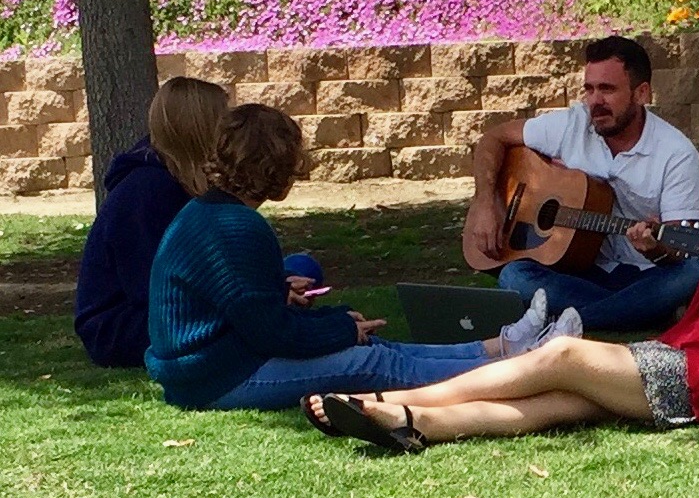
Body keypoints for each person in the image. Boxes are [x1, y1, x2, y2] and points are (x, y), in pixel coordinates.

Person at [306, 61, 699, 451]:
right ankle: (411, 421)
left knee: (559, 354)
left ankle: (383, 399)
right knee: (558, 401)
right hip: (691, 355)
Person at [144, 103, 582, 414]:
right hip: (219, 377)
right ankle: (523, 367)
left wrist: (294, 301)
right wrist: (339, 328)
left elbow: (239, 303)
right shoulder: (237, 226)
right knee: (370, 361)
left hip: (211, 365)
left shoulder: (209, 212)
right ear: (276, 169)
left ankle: (503, 346)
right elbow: (272, 334)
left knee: (373, 347)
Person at [464, 35, 699, 331]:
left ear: (641, 93)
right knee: (515, 275)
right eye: (589, 89)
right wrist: (485, 202)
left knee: (694, 271)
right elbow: (494, 138)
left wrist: (653, 248)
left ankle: (567, 322)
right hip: (579, 269)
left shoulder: (677, 153)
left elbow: (678, 248)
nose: (595, 102)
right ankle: (638, 313)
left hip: (645, 274)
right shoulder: (572, 124)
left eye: (607, 89)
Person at [74, 77, 229, 367]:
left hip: (155, 311)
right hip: (119, 328)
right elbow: (153, 288)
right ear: (201, 127)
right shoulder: (149, 190)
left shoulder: (175, 183)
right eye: (224, 121)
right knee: (242, 324)